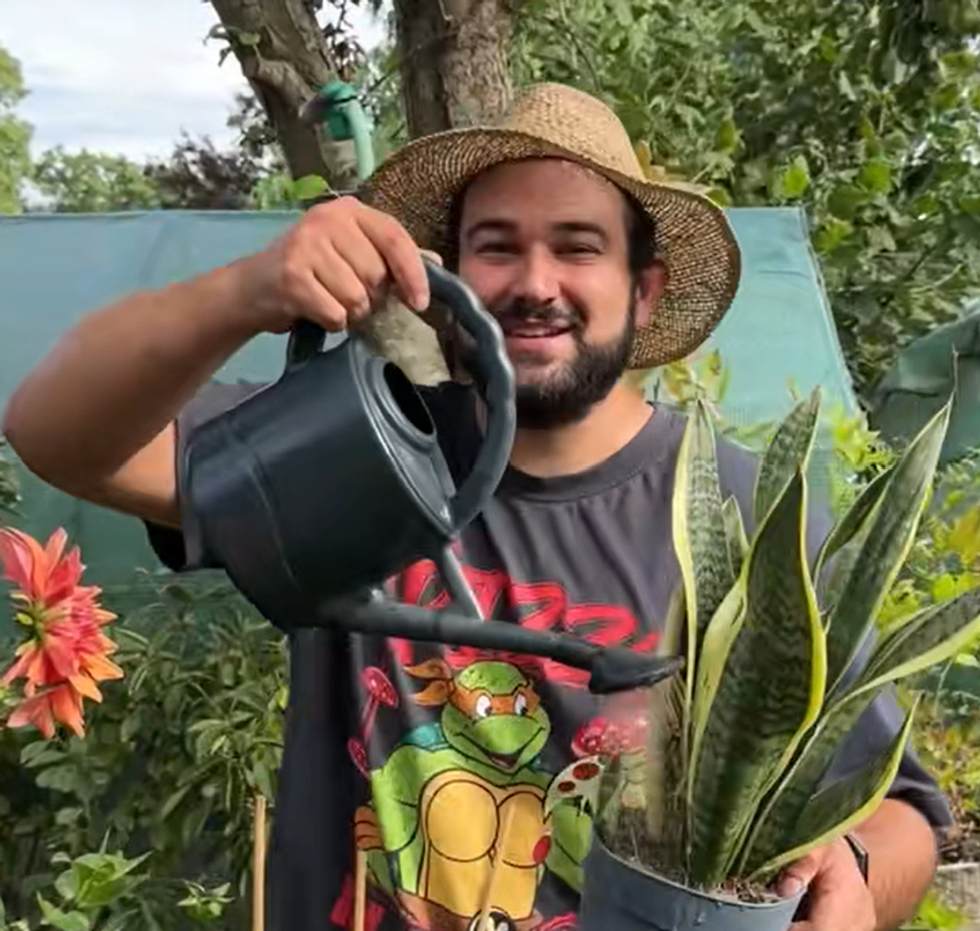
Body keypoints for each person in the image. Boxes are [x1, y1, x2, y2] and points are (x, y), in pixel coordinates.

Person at [2, 82, 949, 931]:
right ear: (448, 278)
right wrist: (244, 290)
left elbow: (906, 807)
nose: (536, 284)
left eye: (578, 248)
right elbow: (55, 433)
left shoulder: (751, 522)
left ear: (644, 291)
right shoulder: (361, 447)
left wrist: (857, 879)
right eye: (498, 248)